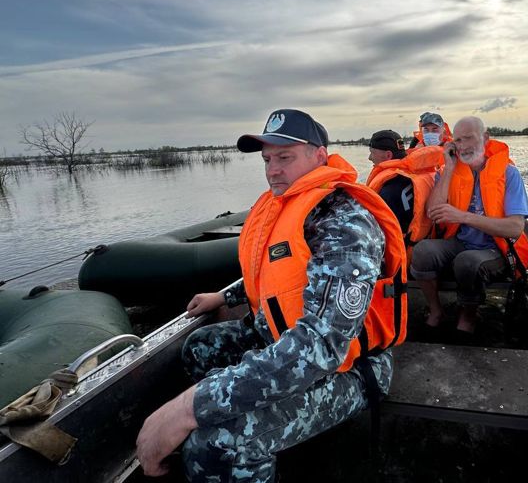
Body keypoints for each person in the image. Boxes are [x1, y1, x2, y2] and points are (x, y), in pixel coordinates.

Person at [136, 108, 407, 482]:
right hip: (280, 342)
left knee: (217, 443)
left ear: (319, 155)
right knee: (199, 347)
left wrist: (190, 406)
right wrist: (225, 297)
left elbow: (321, 347)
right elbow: (274, 275)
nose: (272, 170)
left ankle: (250, 448)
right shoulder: (283, 205)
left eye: (285, 157)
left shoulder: (346, 224)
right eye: (267, 159)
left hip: (350, 371)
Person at [409, 116, 528, 335]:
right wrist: (447, 169)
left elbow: (515, 228)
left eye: (469, 138)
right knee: (422, 252)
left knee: (467, 262)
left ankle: (468, 315)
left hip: (496, 248)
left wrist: (464, 217)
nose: (463, 145)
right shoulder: (450, 172)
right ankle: (436, 310)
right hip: (461, 242)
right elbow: (433, 212)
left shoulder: (509, 174)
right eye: (458, 140)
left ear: (485, 138)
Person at [366, 129, 442, 245]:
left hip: (403, 253)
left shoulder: (390, 190)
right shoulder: (420, 174)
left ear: (388, 155)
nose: (370, 158)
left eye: (372, 152)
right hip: (424, 241)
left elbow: (374, 232)